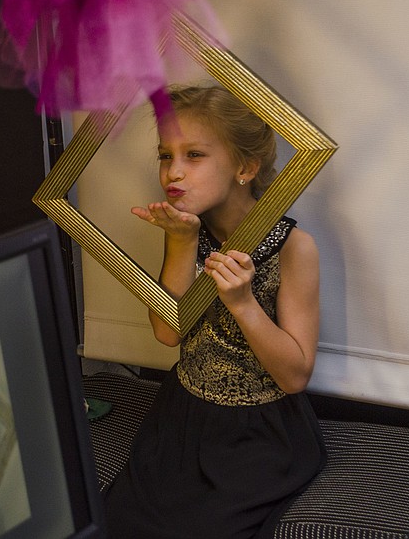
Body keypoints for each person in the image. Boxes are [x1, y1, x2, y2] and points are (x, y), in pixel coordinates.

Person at [104, 85, 326, 538]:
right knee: (119, 518)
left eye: (195, 155)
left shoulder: (293, 249)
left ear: (244, 168)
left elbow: (295, 376)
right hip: (182, 417)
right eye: (166, 155)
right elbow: (168, 334)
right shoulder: (184, 228)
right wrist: (181, 243)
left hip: (259, 435)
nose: (173, 172)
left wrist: (243, 304)